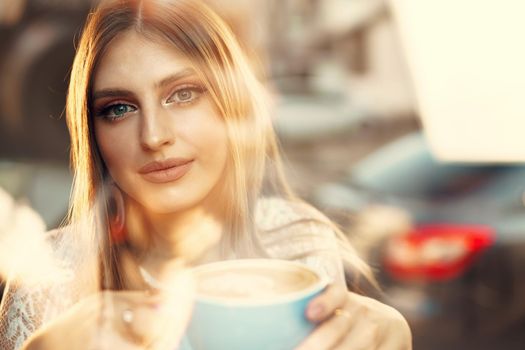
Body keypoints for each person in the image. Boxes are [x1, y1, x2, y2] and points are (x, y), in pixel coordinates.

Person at [0, 0, 411, 349]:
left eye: (182, 94)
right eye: (119, 108)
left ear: (230, 105)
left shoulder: (298, 245)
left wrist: (398, 336)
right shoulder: (45, 281)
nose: (155, 136)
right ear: (94, 133)